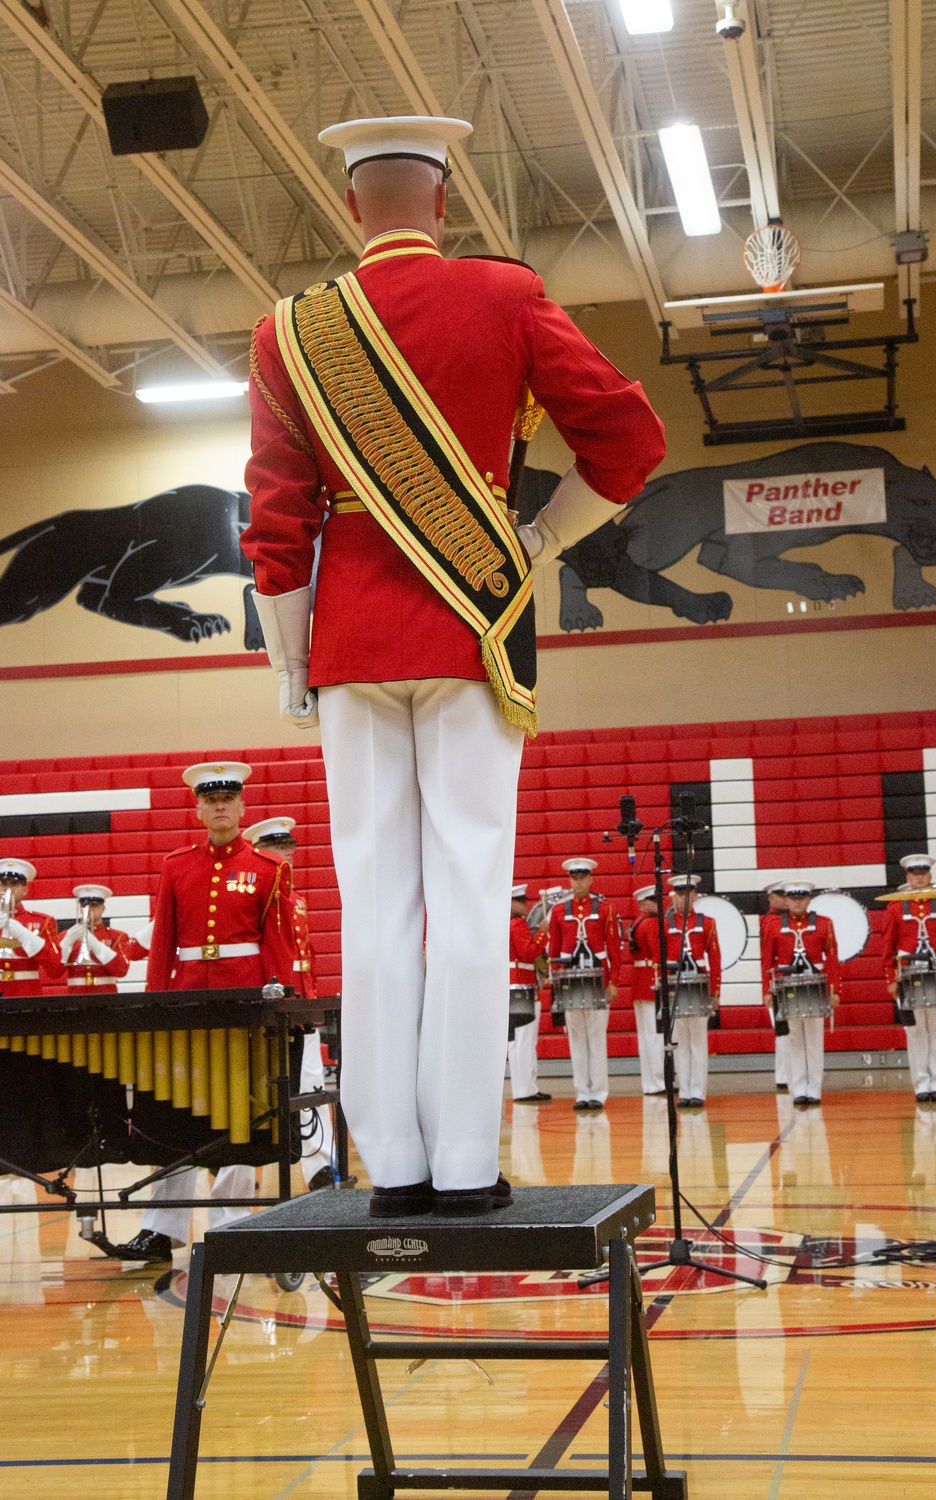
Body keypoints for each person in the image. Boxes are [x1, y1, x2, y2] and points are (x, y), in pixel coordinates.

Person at [241, 115, 665, 1216]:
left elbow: (277, 518)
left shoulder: (288, 330)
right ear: (441, 203)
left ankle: (394, 1166)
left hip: (345, 642)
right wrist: (534, 540)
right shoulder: (506, 295)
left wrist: (293, 667)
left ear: (350, 209)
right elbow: (630, 440)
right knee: (471, 899)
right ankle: (470, 1163)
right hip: (475, 631)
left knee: (373, 904)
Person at [114, 762, 297, 1264]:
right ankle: (161, 1229)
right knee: (174, 1113)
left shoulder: (268, 869)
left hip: (245, 1005)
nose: (219, 806)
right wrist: (156, 1002)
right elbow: (163, 941)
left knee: (240, 1115)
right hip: (187, 1002)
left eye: (228, 799)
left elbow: (277, 944)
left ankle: (231, 1224)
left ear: (241, 808)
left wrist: (281, 999)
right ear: (198, 809)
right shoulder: (176, 866)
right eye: (210, 800)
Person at [244, 815, 338, 1186]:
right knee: (256, 1086)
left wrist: (310, 999)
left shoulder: (297, 900)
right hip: (270, 1000)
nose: (285, 857)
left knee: (312, 1081)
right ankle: (242, 1165)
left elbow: (306, 956)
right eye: (276, 850)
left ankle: (319, 1166)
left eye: (288, 849)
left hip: (300, 1001)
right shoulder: (257, 898)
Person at [881, 854, 936, 1105]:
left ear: (930, 876)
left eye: (923, 874)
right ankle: (921, 1084)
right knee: (914, 1030)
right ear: (907, 877)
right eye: (914, 874)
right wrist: (890, 977)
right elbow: (887, 946)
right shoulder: (895, 907)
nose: (919, 878)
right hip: (909, 974)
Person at [547, 857, 621, 1111]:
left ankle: (598, 1093)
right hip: (570, 982)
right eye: (574, 878)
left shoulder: (605, 909)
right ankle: (582, 1092)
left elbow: (614, 951)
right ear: (569, 880)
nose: (578, 883)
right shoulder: (558, 911)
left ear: (590, 879)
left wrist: (614, 982)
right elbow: (554, 951)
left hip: (598, 981)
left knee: (596, 1038)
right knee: (576, 1039)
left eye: (583, 878)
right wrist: (555, 984)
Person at [761, 879, 839, 1108]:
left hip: (815, 988)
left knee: (814, 1040)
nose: (797, 903)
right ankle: (798, 1089)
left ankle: (813, 1089)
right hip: (787, 989)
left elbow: (832, 958)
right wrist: (767, 990)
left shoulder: (824, 923)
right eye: (793, 898)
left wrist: (834, 990)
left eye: (802, 898)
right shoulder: (773, 924)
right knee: (793, 1040)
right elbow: (767, 959)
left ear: (809, 899)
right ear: (786, 900)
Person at [661, 875, 721, 1109]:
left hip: (698, 987)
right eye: (680, 894)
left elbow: (715, 959)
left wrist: (715, 991)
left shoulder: (707, 923)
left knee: (697, 1042)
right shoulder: (665, 924)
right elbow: (660, 957)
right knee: (679, 1043)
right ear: (673, 896)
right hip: (675, 987)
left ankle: (698, 1091)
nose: (684, 898)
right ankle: (684, 1091)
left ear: (695, 895)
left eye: (688, 894)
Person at [508, 885, 551, 1104]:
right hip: (522, 987)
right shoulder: (517, 925)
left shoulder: (507, 924)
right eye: (521, 901)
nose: (525, 905)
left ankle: (523, 1087)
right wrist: (543, 932)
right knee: (524, 1041)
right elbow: (527, 953)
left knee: (517, 1042)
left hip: (512, 985)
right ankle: (525, 1089)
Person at [0, 858, 63, 994]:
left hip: (25, 995)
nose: (7, 889)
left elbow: (55, 968)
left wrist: (24, 935)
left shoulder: (41, 922)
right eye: (3, 884)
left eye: (14, 884)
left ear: (25, 890)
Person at [629, 885, 666, 1096]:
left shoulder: (637, 922)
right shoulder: (651, 923)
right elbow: (659, 953)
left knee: (646, 1037)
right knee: (655, 1036)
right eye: (653, 900)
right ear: (643, 903)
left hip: (639, 983)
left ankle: (650, 1082)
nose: (658, 903)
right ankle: (658, 1082)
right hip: (652, 983)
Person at [60, 885, 130, 993]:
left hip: (106, 998)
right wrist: (66, 943)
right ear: (80, 907)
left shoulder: (116, 936)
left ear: (103, 908)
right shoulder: (67, 935)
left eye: (94, 905)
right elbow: (54, 972)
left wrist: (96, 945)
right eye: (84, 905)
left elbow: (121, 970)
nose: (89, 909)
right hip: (75, 999)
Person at [761, 881, 791, 1092]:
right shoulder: (770, 921)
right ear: (771, 898)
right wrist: (767, 988)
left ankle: (788, 1073)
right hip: (779, 981)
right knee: (783, 1029)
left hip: (791, 980)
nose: (784, 899)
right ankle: (783, 1074)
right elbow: (767, 958)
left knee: (791, 1030)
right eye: (780, 895)